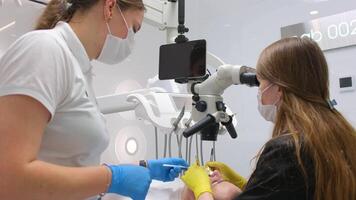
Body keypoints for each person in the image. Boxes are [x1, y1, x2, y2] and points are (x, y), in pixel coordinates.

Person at [0, 0, 188, 199]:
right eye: (133, 29)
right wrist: (113, 178)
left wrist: (138, 168)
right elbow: (7, 178)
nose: (130, 41)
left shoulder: (80, 69)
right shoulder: (44, 50)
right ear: (109, 7)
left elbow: (67, 163)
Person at [181, 37, 356, 200]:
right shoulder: (342, 133)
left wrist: (202, 188)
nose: (259, 91)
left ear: (279, 89)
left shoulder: (289, 150)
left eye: (260, 82)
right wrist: (246, 184)